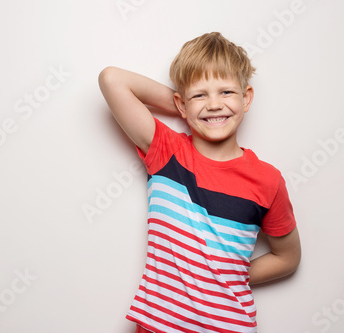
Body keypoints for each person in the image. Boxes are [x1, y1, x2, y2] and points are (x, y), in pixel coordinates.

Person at [98, 32, 301, 333]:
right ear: (181, 104)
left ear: (247, 98)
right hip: (158, 327)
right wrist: (185, 107)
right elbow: (112, 79)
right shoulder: (167, 152)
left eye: (226, 93)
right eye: (200, 95)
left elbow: (287, 258)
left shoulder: (267, 180)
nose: (214, 105)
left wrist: (224, 273)